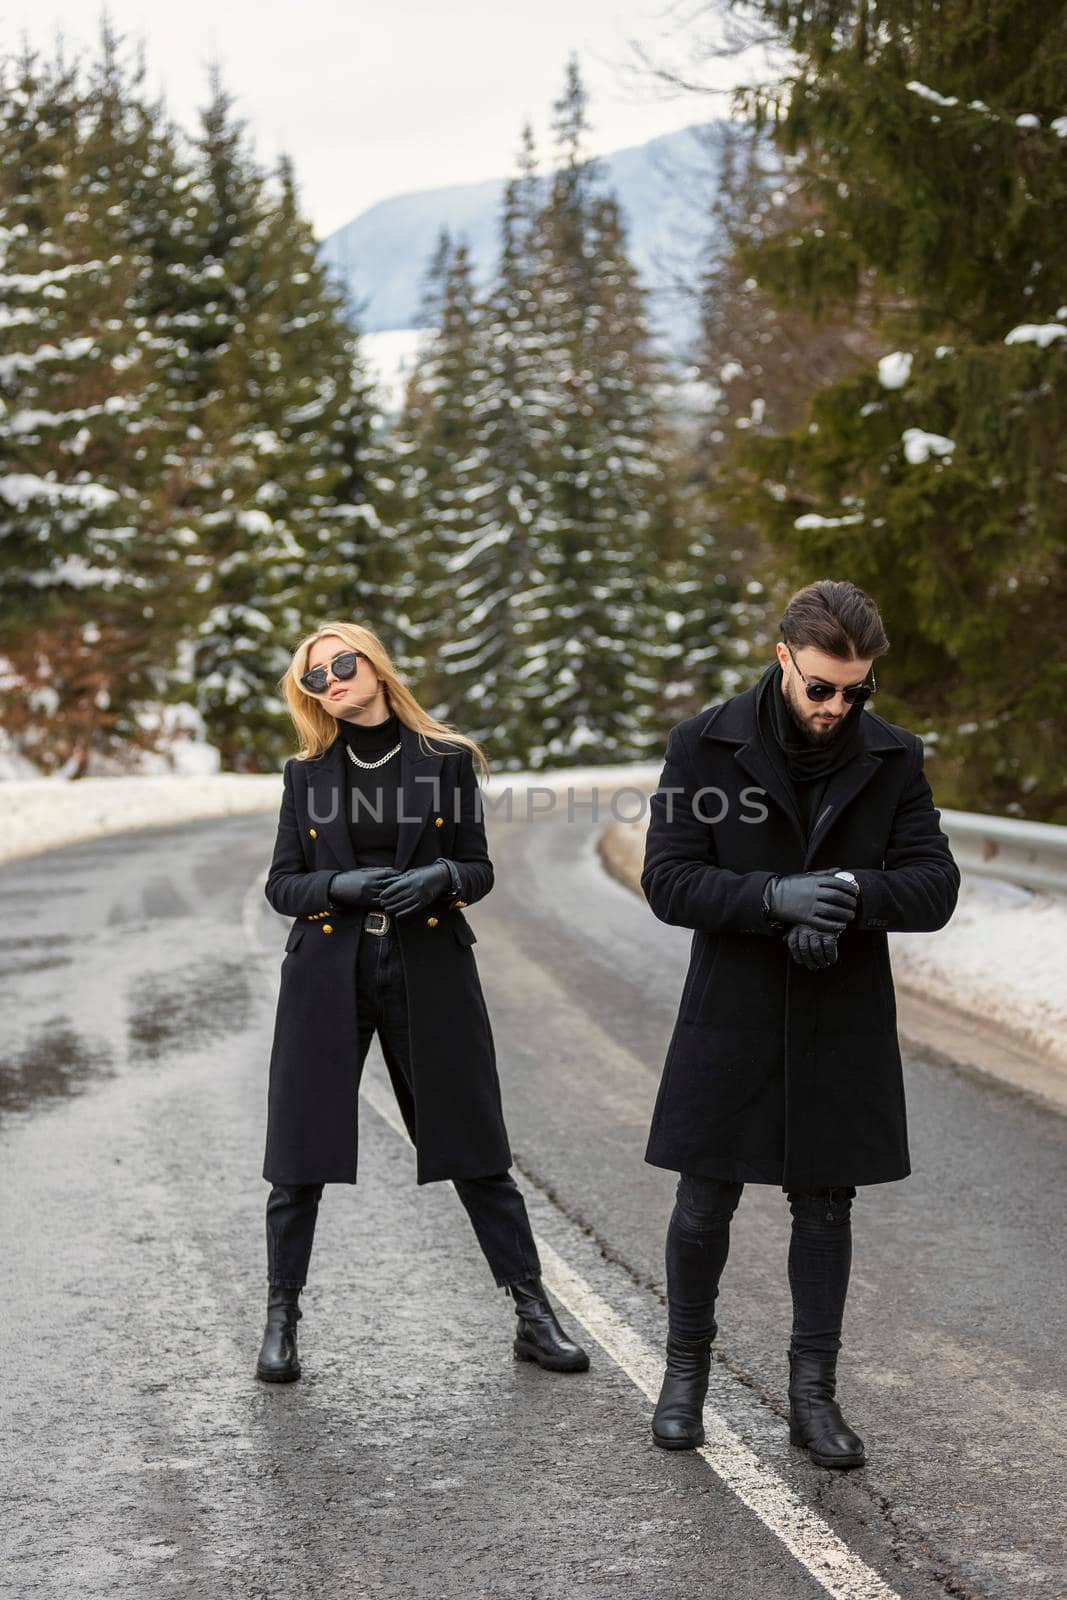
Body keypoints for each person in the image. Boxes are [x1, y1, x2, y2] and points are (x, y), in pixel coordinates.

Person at [640, 579, 960, 1468]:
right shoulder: (702, 746)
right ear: (783, 658)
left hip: (840, 1012)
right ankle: (683, 1376)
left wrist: (848, 900)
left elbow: (933, 887)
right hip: (731, 1009)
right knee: (705, 1195)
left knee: (824, 1205)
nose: (836, 708)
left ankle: (812, 1397)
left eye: (854, 691)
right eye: (820, 687)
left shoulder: (893, 757)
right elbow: (667, 880)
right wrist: (773, 899)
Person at [256, 620, 588, 1383]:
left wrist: (440, 879)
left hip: (428, 966)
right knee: (298, 1155)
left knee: (475, 1146)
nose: (331, 682)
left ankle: (533, 1315)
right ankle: (281, 1320)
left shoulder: (445, 761)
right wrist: (337, 886)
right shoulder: (304, 773)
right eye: (314, 677)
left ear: (374, 665)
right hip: (326, 972)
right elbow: (281, 884)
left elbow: (478, 867)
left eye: (341, 665)